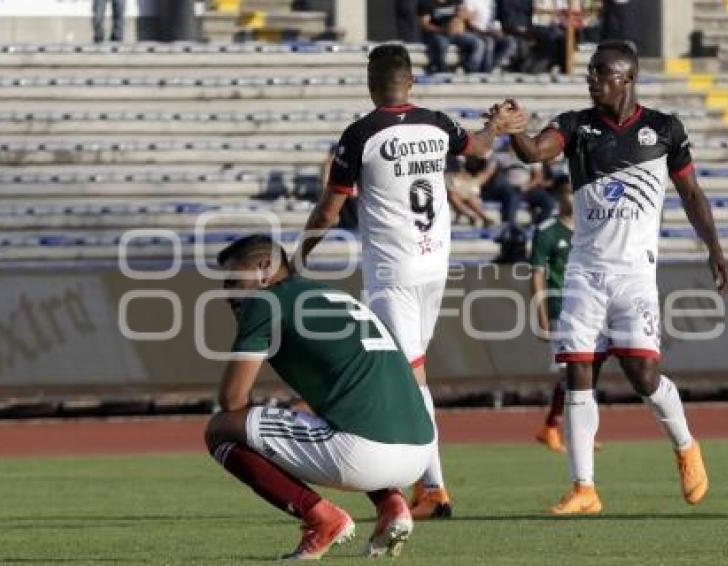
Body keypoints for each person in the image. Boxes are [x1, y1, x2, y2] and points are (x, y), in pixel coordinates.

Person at [493, 39, 728, 514]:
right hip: (585, 274)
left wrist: (714, 245)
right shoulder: (576, 125)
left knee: (643, 375)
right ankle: (585, 488)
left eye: (601, 72)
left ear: (626, 77)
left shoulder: (664, 129)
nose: (591, 78)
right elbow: (535, 152)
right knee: (578, 373)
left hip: (634, 276)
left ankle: (686, 446)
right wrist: (515, 131)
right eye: (591, 71)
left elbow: (690, 193)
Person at [295, 44, 508, 520]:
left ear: (371, 83)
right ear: (410, 81)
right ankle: (426, 486)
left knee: (409, 380)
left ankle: (432, 488)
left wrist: (299, 254)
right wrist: (496, 125)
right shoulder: (435, 122)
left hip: (394, 273)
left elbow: (330, 209)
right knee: (414, 373)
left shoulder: (360, 135)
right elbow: (477, 146)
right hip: (436, 267)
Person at [205, 234, 435, 559]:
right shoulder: (331, 294)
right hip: (421, 452)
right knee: (320, 415)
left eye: (232, 280)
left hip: (366, 453)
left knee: (220, 429)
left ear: (264, 267)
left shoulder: (266, 301)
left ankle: (321, 519)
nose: (226, 293)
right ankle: (391, 505)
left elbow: (232, 401)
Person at [529, 176, 573, 452]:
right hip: (561, 307)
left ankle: (575, 430)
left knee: (586, 372)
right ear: (558, 196)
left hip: (589, 308)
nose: (572, 198)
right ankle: (552, 426)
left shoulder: (591, 228)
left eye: (575, 191)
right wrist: (542, 314)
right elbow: (536, 276)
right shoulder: (548, 231)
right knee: (569, 370)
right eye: (567, 192)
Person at [418, 0, 487, 73]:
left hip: (457, 34)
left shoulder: (456, 1)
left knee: (478, 42)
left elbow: (466, 15)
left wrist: (460, 20)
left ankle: (471, 69)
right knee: (441, 44)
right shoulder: (427, 3)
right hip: (438, 33)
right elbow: (424, 24)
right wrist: (443, 30)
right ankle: (440, 69)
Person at [447, 155, 496, 227]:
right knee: (454, 195)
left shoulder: (461, 161)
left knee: (469, 196)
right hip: (453, 187)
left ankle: (480, 217)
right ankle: (476, 216)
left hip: (461, 186)